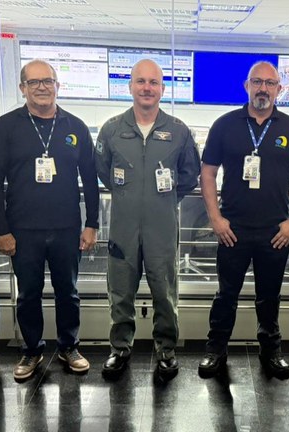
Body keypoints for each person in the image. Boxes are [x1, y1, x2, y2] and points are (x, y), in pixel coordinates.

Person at [198, 61, 289, 380]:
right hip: (231, 229)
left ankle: (271, 351)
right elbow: (206, 173)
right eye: (257, 82)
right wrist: (216, 218)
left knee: (269, 296)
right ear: (246, 86)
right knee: (226, 295)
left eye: (270, 83)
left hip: (275, 231)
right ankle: (216, 349)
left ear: (279, 89)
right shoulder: (225, 125)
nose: (263, 88)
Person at [0, 60, 100, 380]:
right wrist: (1, 230)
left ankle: (68, 346)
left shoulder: (75, 127)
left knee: (69, 291)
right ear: (23, 88)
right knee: (28, 294)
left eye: (48, 81)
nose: (42, 87)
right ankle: (32, 350)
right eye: (34, 82)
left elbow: (90, 180)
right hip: (22, 229)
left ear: (58, 86)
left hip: (66, 227)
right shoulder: (6, 126)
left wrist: (91, 223)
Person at [95, 59, 200, 380]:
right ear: (129, 87)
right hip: (122, 228)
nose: (146, 88)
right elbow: (103, 172)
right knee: (120, 292)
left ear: (162, 89)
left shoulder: (179, 131)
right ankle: (120, 349)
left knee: (165, 293)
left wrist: (161, 200)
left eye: (153, 83)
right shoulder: (112, 129)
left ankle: (165, 350)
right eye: (140, 82)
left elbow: (189, 175)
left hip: (162, 228)